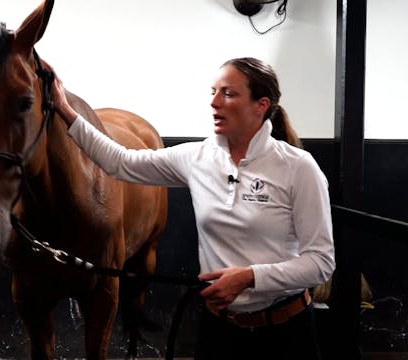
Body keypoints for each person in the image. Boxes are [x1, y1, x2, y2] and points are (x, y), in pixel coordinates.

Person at [50, 57, 335, 359]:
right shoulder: (197, 158)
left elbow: (320, 262)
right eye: (212, 91)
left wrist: (250, 277)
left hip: (286, 334)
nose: (214, 102)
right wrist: (65, 111)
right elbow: (120, 162)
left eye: (228, 93)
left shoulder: (298, 168)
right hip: (219, 331)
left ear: (260, 105)